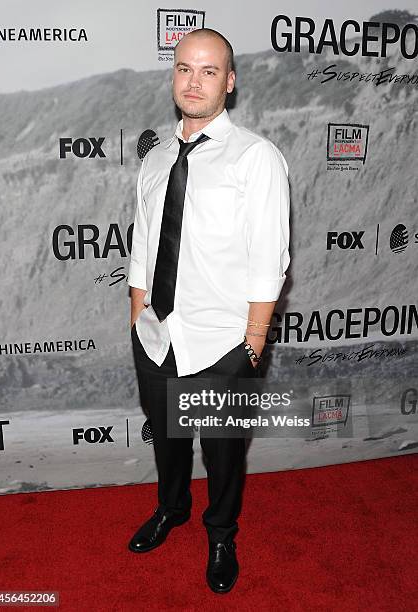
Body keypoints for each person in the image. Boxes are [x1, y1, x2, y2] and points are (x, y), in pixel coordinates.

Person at [127, 27, 290, 594]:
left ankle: (221, 532)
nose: (194, 82)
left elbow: (270, 257)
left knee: (222, 456)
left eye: (209, 71)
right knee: (166, 439)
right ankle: (171, 508)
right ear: (173, 75)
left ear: (230, 81)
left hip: (222, 340)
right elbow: (144, 244)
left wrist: (253, 339)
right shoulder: (156, 159)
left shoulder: (256, 158)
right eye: (184, 69)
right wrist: (137, 313)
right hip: (156, 334)